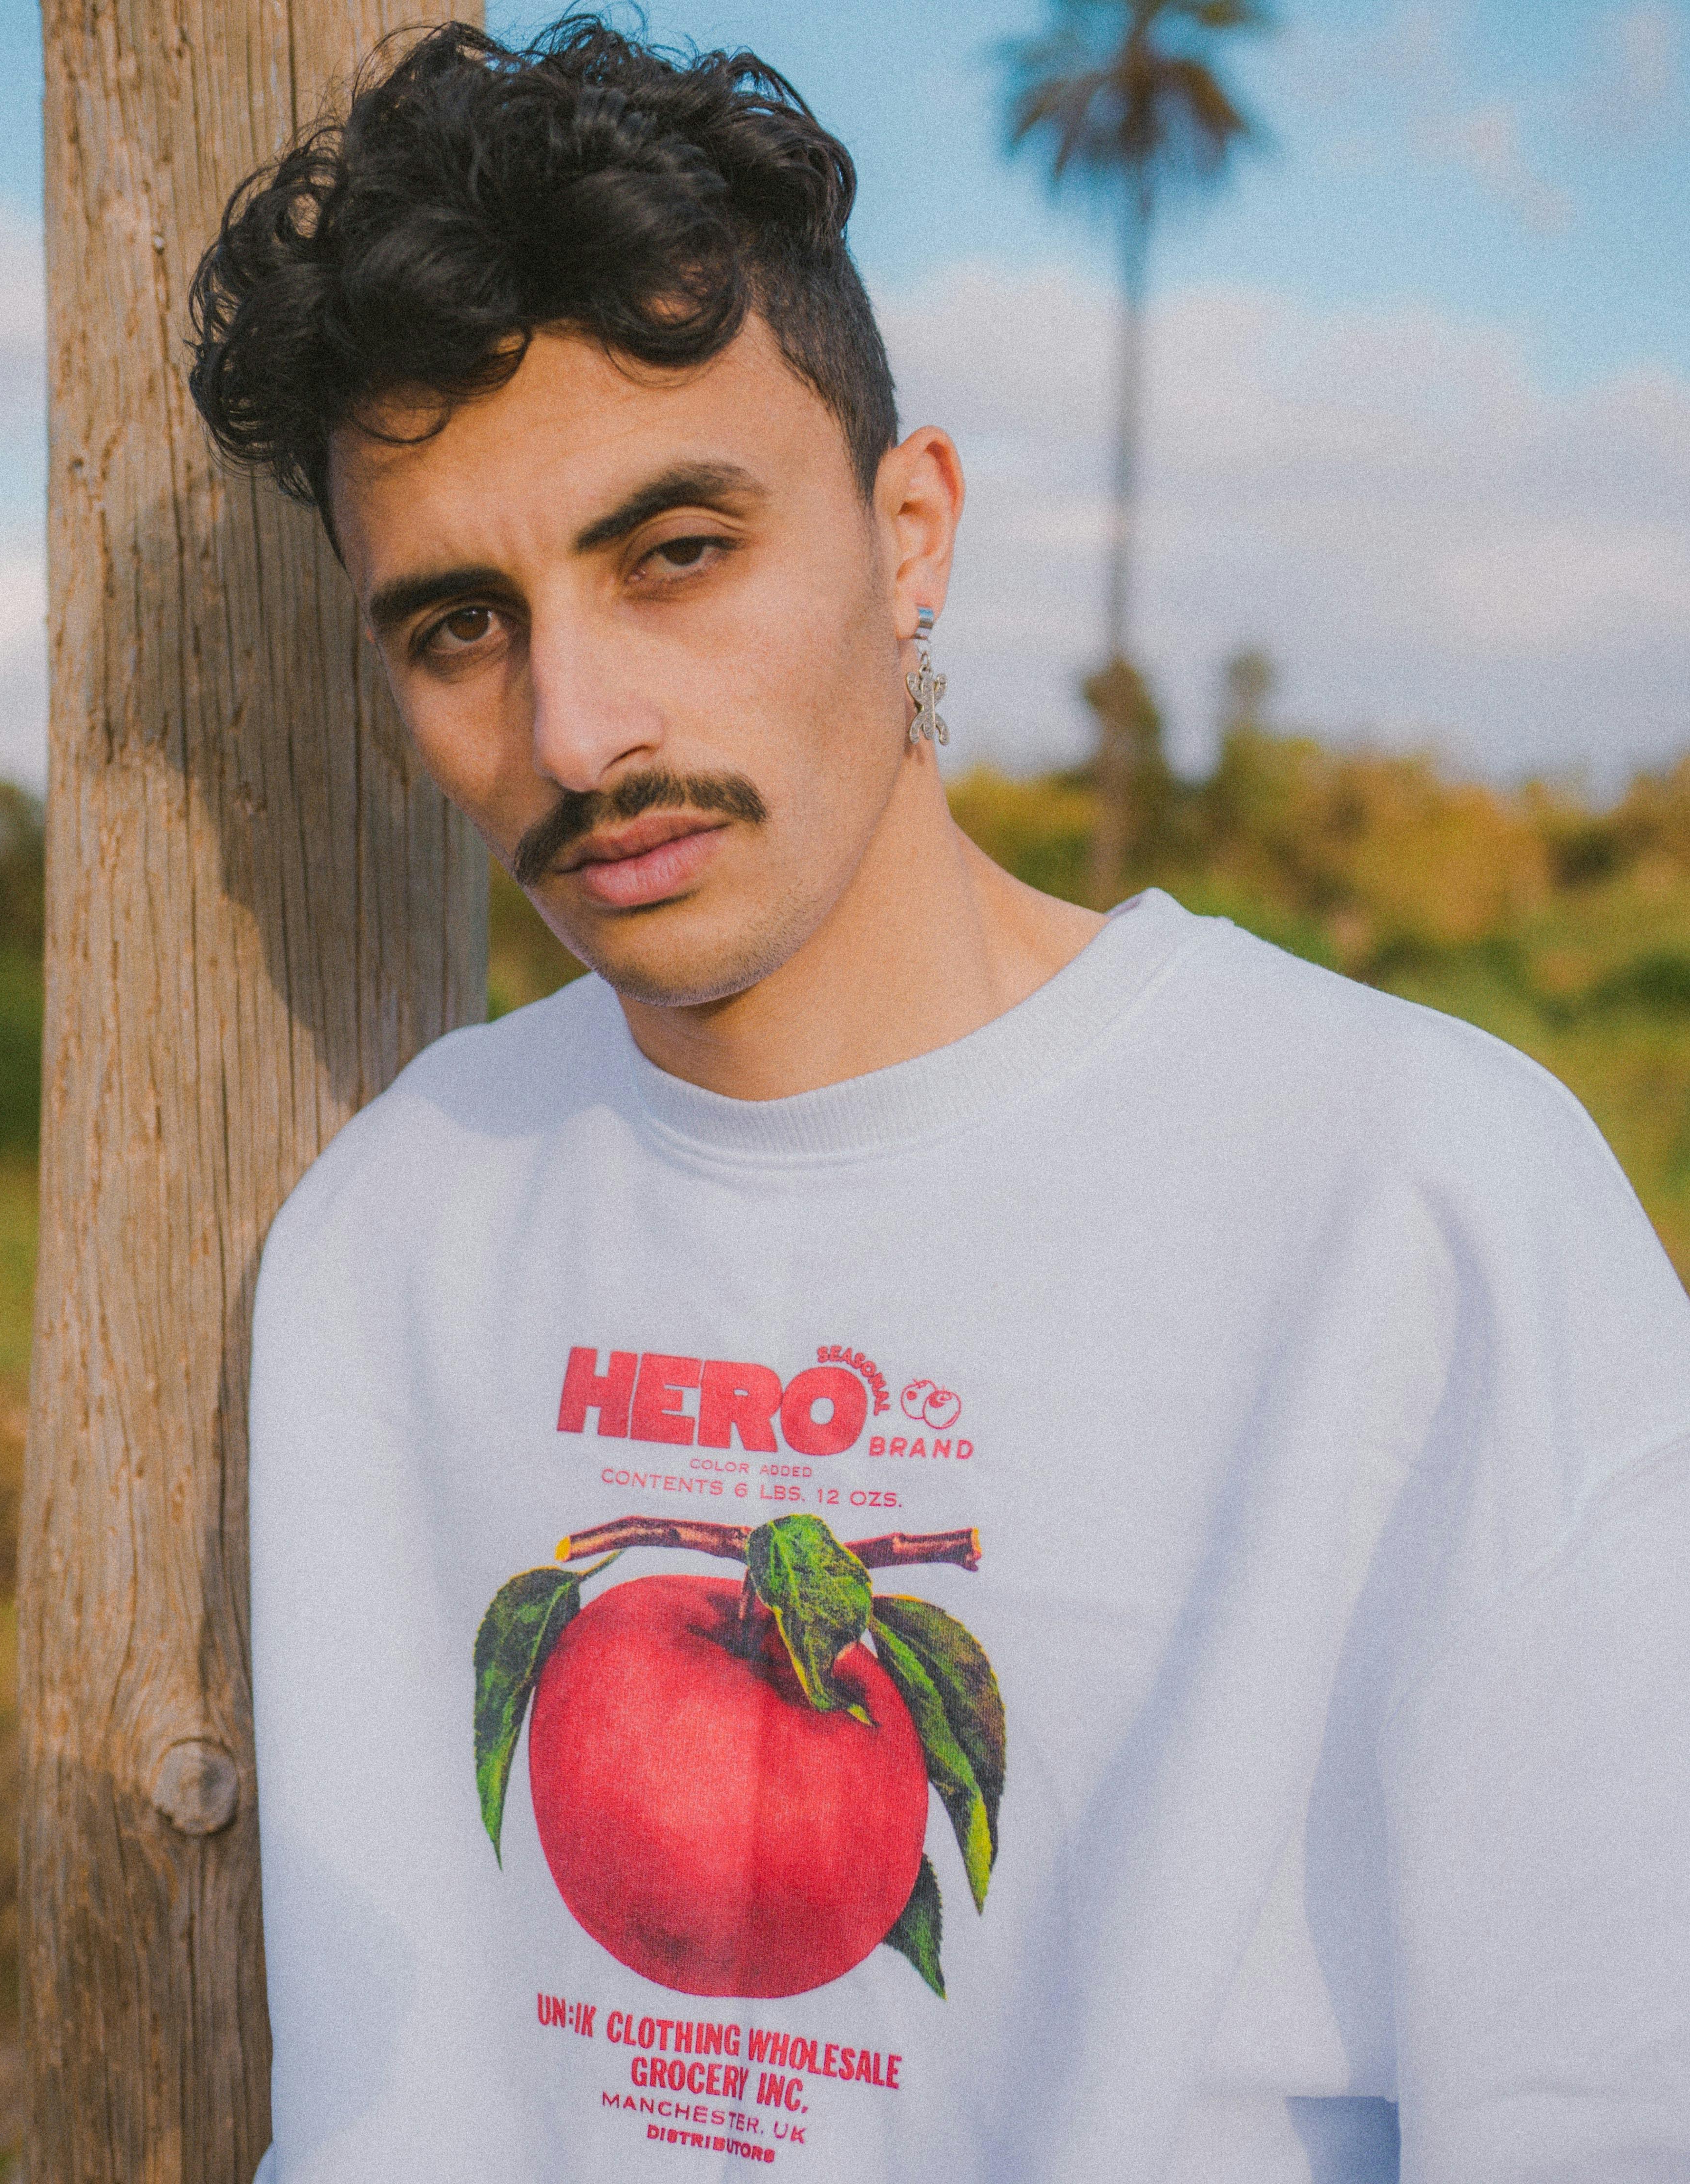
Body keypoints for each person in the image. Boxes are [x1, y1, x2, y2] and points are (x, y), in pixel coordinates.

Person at [188, 20, 1690, 2184]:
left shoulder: (1416, 1201)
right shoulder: (391, 1228)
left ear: (911, 535)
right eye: (457, 625)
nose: (579, 729)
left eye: (674, 549)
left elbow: (1604, 2100)